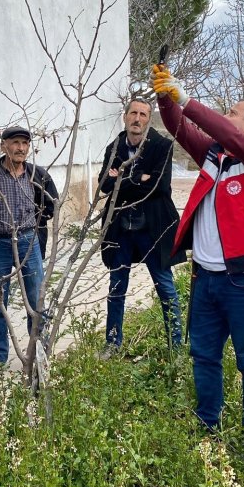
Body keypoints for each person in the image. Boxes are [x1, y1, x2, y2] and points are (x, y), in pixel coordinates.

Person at [152, 66, 244, 433]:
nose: (226, 118)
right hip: (205, 278)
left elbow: (220, 130)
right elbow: (179, 127)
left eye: (233, 114)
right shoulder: (215, 156)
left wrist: (186, 98)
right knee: (204, 355)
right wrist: (165, 94)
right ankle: (208, 423)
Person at [98, 97, 185, 353]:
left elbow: (159, 187)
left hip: (152, 229)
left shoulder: (161, 146)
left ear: (149, 119)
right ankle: (112, 342)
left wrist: (123, 178)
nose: (137, 119)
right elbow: (104, 185)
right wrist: (139, 178)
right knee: (116, 288)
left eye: (143, 114)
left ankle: (176, 346)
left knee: (165, 288)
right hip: (121, 229)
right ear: (125, 116)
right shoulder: (114, 148)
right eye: (133, 113)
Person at [0, 126, 58, 367]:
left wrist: (35, 224)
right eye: (15, 143)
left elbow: (51, 205)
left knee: (36, 300)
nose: (20, 148)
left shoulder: (37, 175)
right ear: (3, 146)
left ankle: (37, 353)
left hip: (28, 242)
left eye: (24, 143)